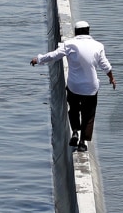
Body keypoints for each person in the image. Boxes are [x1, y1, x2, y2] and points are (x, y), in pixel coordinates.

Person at [32, 20, 114, 152]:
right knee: (89, 114)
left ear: (76, 32)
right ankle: (82, 142)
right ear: (88, 31)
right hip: (91, 88)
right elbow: (106, 66)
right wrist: (112, 79)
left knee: (74, 109)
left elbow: (54, 55)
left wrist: (39, 59)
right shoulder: (98, 46)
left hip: (74, 86)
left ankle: (75, 131)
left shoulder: (70, 44)